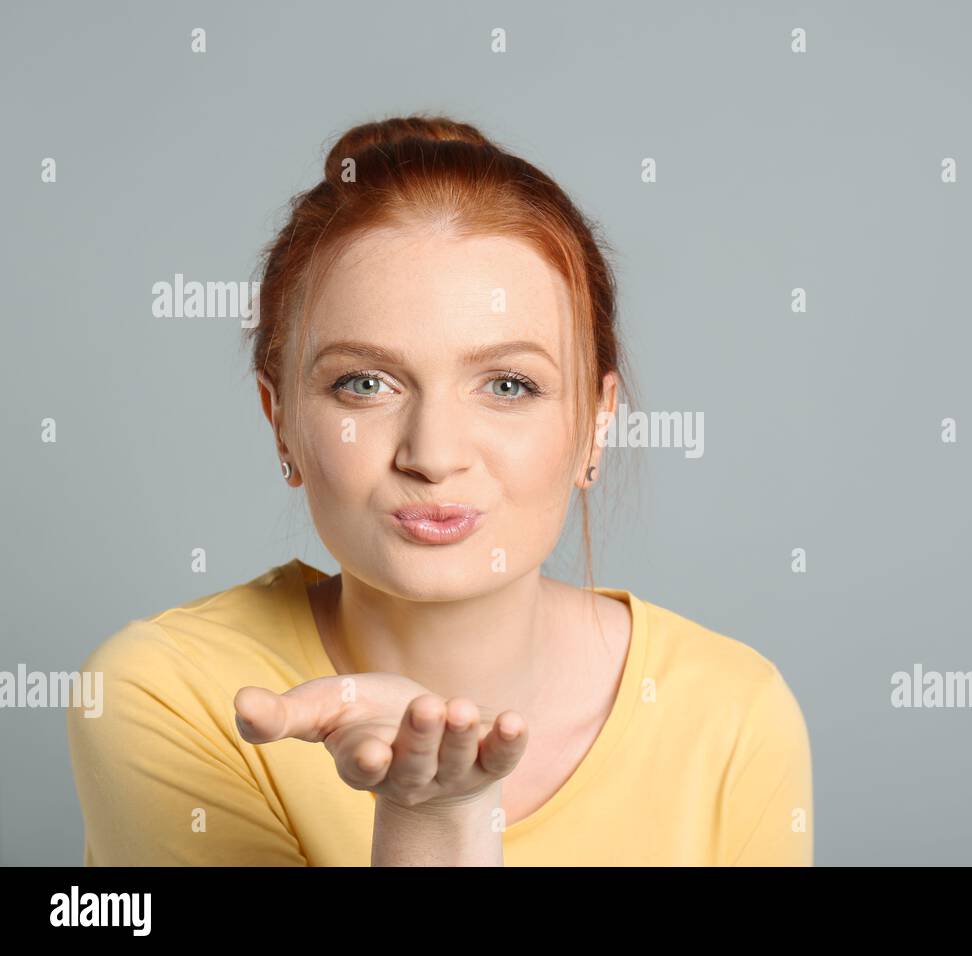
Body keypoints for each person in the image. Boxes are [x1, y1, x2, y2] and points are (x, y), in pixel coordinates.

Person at [66, 114, 813, 866]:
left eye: (509, 385)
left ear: (595, 423)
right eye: (365, 383)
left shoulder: (732, 714)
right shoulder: (168, 693)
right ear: (281, 420)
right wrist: (435, 824)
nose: (433, 454)